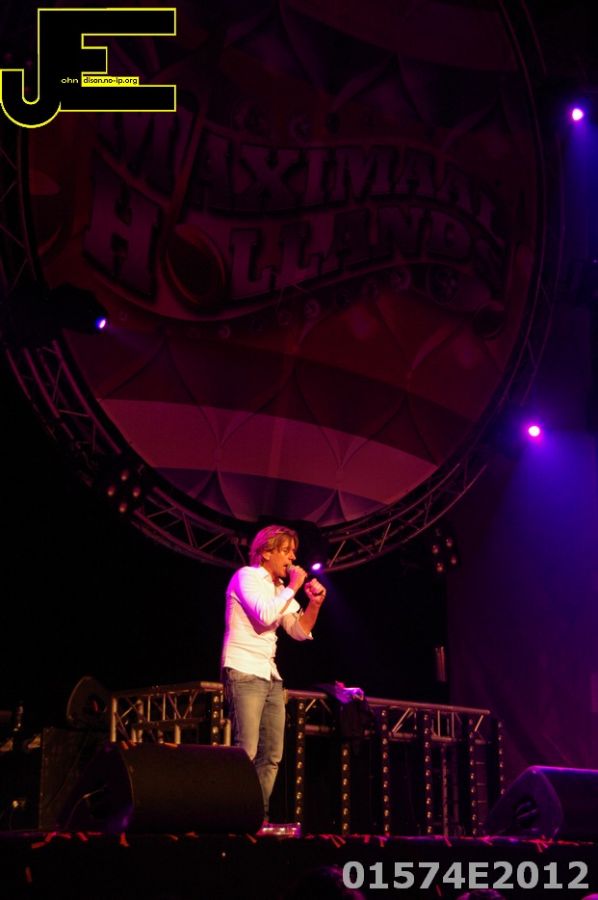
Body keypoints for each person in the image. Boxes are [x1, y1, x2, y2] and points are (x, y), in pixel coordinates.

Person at [221, 524, 327, 820]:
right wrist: (293, 587)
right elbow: (265, 614)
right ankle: (233, 816)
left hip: (270, 676)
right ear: (266, 552)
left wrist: (314, 604)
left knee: (272, 755)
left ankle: (257, 815)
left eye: (293, 552)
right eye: (286, 551)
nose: (293, 557)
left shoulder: (280, 589)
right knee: (246, 750)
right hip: (244, 670)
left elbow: (298, 630)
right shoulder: (247, 576)